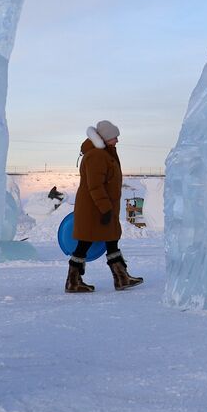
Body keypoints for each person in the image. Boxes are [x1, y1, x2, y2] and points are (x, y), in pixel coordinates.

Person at [65, 120, 144, 293]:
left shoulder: (104, 153)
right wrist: (105, 208)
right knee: (84, 243)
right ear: (105, 137)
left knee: (111, 240)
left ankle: (121, 278)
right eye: (114, 137)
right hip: (96, 209)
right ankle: (73, 281)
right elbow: (96, 186)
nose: (117, 140)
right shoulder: (97, 156)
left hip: (101, 208)